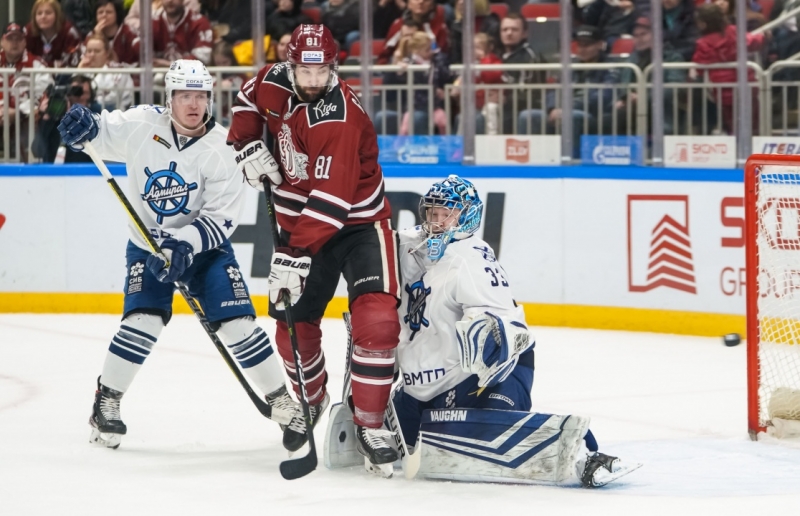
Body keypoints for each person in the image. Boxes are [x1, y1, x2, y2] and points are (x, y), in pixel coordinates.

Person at [56, 59, 299, 449]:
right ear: (169, 98)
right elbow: (98, 133)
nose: (193, 103)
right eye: (184, 95)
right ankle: (107, 402)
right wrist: (83, 124)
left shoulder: (223, 148)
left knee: (238, 325)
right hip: (147, 246)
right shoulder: (142, 125)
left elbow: (221, 219)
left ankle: (282, 401)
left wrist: (183, 244)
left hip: (204, 250)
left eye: (200, 95)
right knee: (143, 322)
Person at [227, 24, 402, 468]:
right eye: (304, 72)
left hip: (357, 224)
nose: (311, 81)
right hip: (300, 227)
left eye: (320, 71)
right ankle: (312, 399)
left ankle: (371, 422)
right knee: (291, 327)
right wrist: (246, 144)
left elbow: (332, 200)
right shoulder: (272, 81)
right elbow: (246, 99)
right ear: (290, 66)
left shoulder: (337, 116)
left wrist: (294, 253)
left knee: (377, 321)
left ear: (333, 68)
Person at [392, 175, 635, 487]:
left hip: (493, 375)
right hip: (430, 385)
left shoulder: (471, 259)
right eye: (433, 213)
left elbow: (508, 330)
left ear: (466, 216)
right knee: (412, 438)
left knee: (489, 430)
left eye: (447, 213)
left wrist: (485, 346)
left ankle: (583, 455)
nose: (438, 222)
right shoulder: (411, 245)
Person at [691, 3, 764, 134]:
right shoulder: (734, 31)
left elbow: (700, 67)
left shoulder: (703, 43)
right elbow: (752, 43)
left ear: (702, 24)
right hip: (747, 86)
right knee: (753, 124)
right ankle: (753, 148)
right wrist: (762, 36)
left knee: (733, 125)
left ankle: (736, 148)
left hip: (722, 91)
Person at [375, 31, 451, 135]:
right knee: (405, 129)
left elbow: (443, 73)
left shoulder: (436, 62)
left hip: (434, 105)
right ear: (416, 50)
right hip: (414, 106)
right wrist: (400, 69)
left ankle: (447, 145)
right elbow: (399, 77)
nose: (431, 52)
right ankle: (398, 148)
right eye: (427, 50)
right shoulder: (409, 62)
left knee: (443, 123)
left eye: (431, 48)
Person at [0, 22, 53, 162]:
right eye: (10, 39)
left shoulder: (37, 65)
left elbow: (45, 96)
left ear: (25, 42)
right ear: (2, 41)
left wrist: (17, 112)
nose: (14, 43)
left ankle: (34, 173)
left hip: (26, 120)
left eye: (18, 39)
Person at [33, 74, 100, 163]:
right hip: (53, 173)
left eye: (84, 93)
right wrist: (46, 119)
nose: (80, 96)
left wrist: (72, 118)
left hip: (84, 171)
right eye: (76, 92)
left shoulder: (95, 116)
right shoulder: (54, 116)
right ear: (68, 94)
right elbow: (37, 151)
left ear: (90, 96)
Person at [378, 0, 449, 64]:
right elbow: (384, 56)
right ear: (408, 3)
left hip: (430, 72)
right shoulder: (398, 25)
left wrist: (430, 49)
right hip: (400, 72)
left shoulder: (439, 26)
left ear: (432, 5)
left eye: (426, 0)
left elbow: (441, 52)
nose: (421, 2)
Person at [78, 34, 135, 111]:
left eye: (97, 51)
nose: (92, 55)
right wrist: (79, 71)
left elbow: (112, 99)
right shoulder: (82, 70)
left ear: (107, 53)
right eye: (89, 51)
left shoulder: (118, 72)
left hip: (114, 113)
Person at [152, 0, 214, 66]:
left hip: (190, 74)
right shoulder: (151, 22)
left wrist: (171, 65)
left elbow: (203, 57)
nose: (170, 1)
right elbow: (140, 52)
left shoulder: (200, 22)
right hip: (157, 74)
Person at [24, 0, 83, 68]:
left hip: (62, 76)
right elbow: (23, 59)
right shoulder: (28, 31)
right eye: (39, 13)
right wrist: (53, 64)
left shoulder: (69, 32)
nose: (43, 17)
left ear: (57, 15)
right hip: (35, 75)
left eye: (48, 13)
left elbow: (72, 62)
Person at [86, 0, 141, 66]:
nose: (104, 15)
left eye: (109, 12)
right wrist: (97, 36)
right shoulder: (91, 35)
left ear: (117, 14)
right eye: (100, 12)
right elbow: (84, 59)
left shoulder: (129, 33)